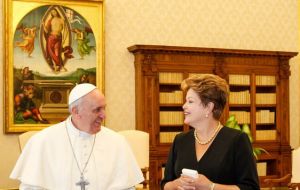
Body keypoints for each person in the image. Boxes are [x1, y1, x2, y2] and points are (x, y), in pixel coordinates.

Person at [10, 83, 144, 190]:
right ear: (76, 111)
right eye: (97, 109)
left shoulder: (117, 143)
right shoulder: (42, 142)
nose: (104, 115)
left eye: (104, 108)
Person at [161, 74, 259, 190]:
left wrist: (210, 186)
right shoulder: (180, 140)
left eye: (190, 101)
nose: (184, 106)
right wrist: (176, 184)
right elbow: (165, 184)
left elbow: (251, 188)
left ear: (209, 107)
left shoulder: (237, 140)